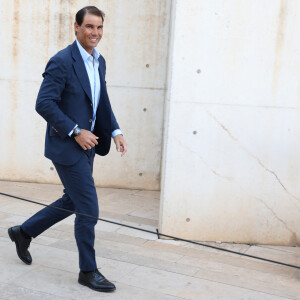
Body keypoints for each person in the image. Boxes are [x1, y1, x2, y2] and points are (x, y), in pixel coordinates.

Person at [8, 6, 127, 293]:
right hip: (68, 144)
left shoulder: (99, 61)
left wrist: (115, 130)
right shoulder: (62, 61)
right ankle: (88, 271)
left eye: (99, 27)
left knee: (73, 201)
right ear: (76, 27)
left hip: (90, 144)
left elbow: (101, 100)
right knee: (89, 209)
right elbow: (44, 103)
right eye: (89, 27)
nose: (95, 33)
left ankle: (23, 232)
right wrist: (75, 131)